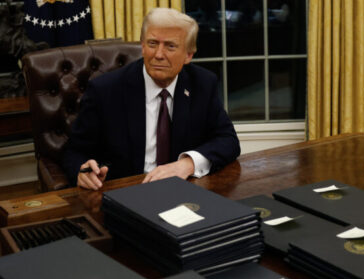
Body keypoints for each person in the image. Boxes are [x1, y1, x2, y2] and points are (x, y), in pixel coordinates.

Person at [62, 8, 240, 190]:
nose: (159, 55)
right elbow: (74, 151)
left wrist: (187, 164)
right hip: (125, 191)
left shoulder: (202, 84)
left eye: (170, 46)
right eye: (152, 43)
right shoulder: (105, 90)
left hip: (184, 189)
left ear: (188, 55)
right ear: (142, 46)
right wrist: (80, 171)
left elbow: (228, 140)